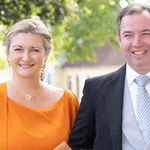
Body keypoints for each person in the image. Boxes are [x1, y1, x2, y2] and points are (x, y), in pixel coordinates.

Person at [69, 3, 150, 150]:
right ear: (119, 39)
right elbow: (78, 146)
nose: (137, 42)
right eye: (128, 35)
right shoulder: (96, 90)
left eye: (146, 33)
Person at [0, 18, 79, 150]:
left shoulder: (67, 101)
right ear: (8, 54)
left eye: (34, 50)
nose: (26, 57)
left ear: (46, 56)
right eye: (18, 49)